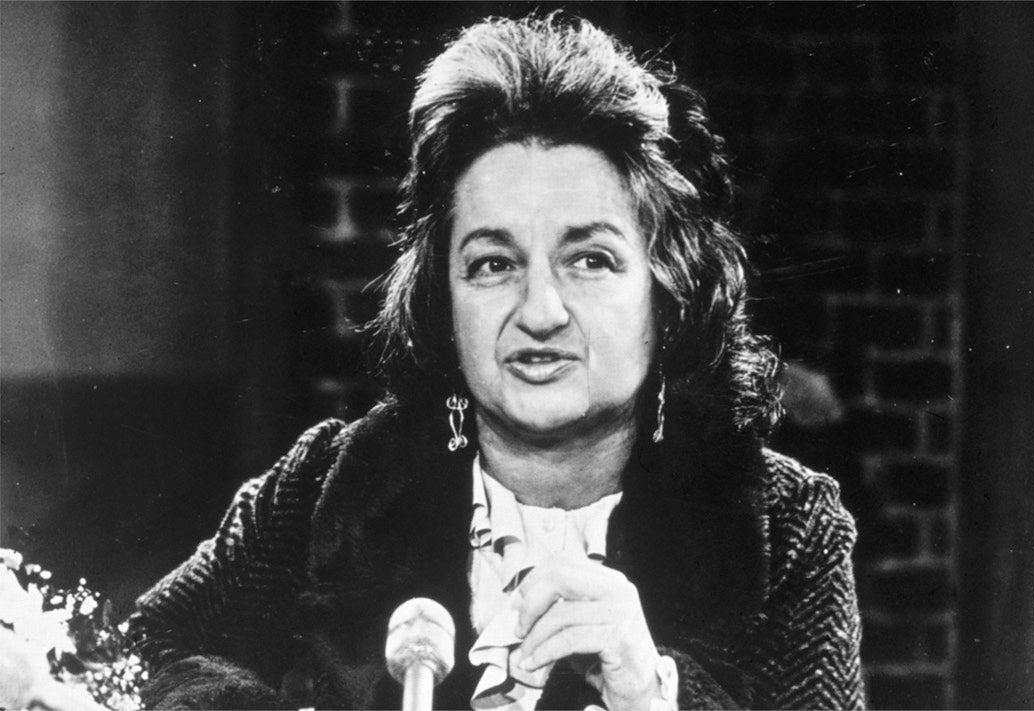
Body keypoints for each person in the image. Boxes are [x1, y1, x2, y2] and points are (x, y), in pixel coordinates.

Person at [126, 16, 864, 710]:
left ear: (667, 288)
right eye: (491, 263)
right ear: (441, 297)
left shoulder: (787, 526)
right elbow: (147, 648)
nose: (540, 309)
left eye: (592, 259)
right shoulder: (330, 484)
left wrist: (652, 692)